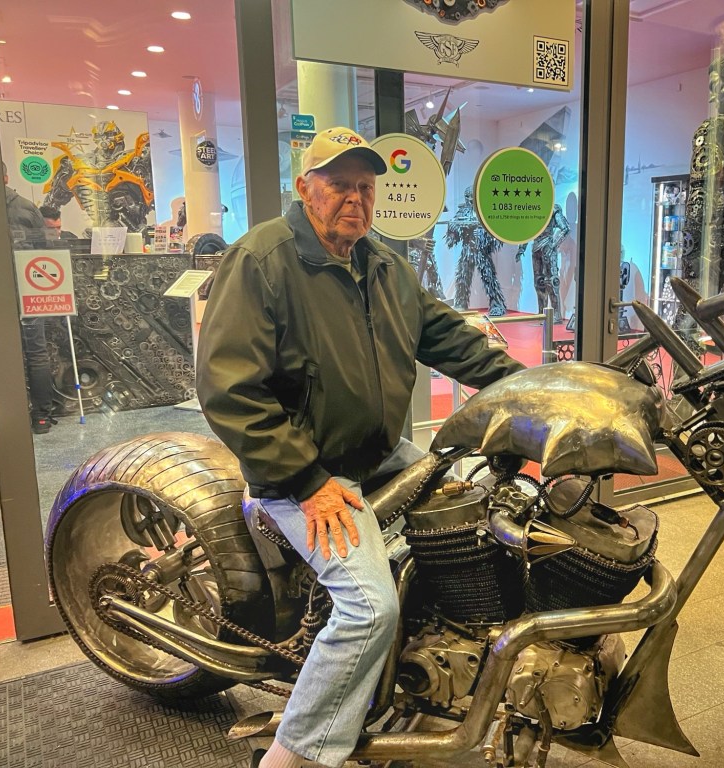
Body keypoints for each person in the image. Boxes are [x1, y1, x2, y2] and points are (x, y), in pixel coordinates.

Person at [196, 127, 524, 768]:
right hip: (303, 470)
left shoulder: (386, 267)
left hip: (376, 453)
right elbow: (229, 390)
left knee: (481, 513)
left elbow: (453, 341)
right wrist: (306, 480)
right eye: (339, 184)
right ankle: (294, 755)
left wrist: (534, 388)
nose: (355, 198)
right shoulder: (262, 261)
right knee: (368, 609)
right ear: (305, 188)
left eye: (366, 187)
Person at [3, 164, 56, 434]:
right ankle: (42, 417)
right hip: (28, 291)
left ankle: (4, 418)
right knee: (36, 353)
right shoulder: (26, 207)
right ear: (6, 176)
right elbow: (45, 250)